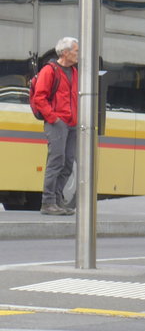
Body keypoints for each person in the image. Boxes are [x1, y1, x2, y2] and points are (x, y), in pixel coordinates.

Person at [31, 36, 80, 216]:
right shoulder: (49, 70)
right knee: (56, 161)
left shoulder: (74, 72)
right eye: (76, 51)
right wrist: (54, 119)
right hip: (57, 123)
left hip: (71, 123)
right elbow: (39, 98)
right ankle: (48, 202)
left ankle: (57, 202)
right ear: (65, 52)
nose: (78, 54)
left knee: (67, 163)